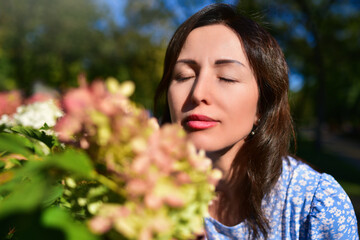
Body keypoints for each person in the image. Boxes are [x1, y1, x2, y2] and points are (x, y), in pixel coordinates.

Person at [154, 3, 359, 240]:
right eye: (184, 76)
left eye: (226, 77)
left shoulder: (315, 206)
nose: (198, 92)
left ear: (262, 106)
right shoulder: (138, 189)